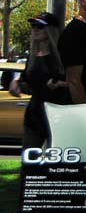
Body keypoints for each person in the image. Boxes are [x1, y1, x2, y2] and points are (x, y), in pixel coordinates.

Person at [10, 12, 70, 147]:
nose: (35, 29)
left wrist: (60, 84)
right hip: (35, 114)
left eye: (40, 26)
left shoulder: (62, 56)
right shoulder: (32, 57)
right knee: (29, 155)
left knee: (57, 156)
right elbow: (27, 81)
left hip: (57, 113)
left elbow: (75, 82)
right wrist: (16, 83)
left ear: (51, 30)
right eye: (33, 26)